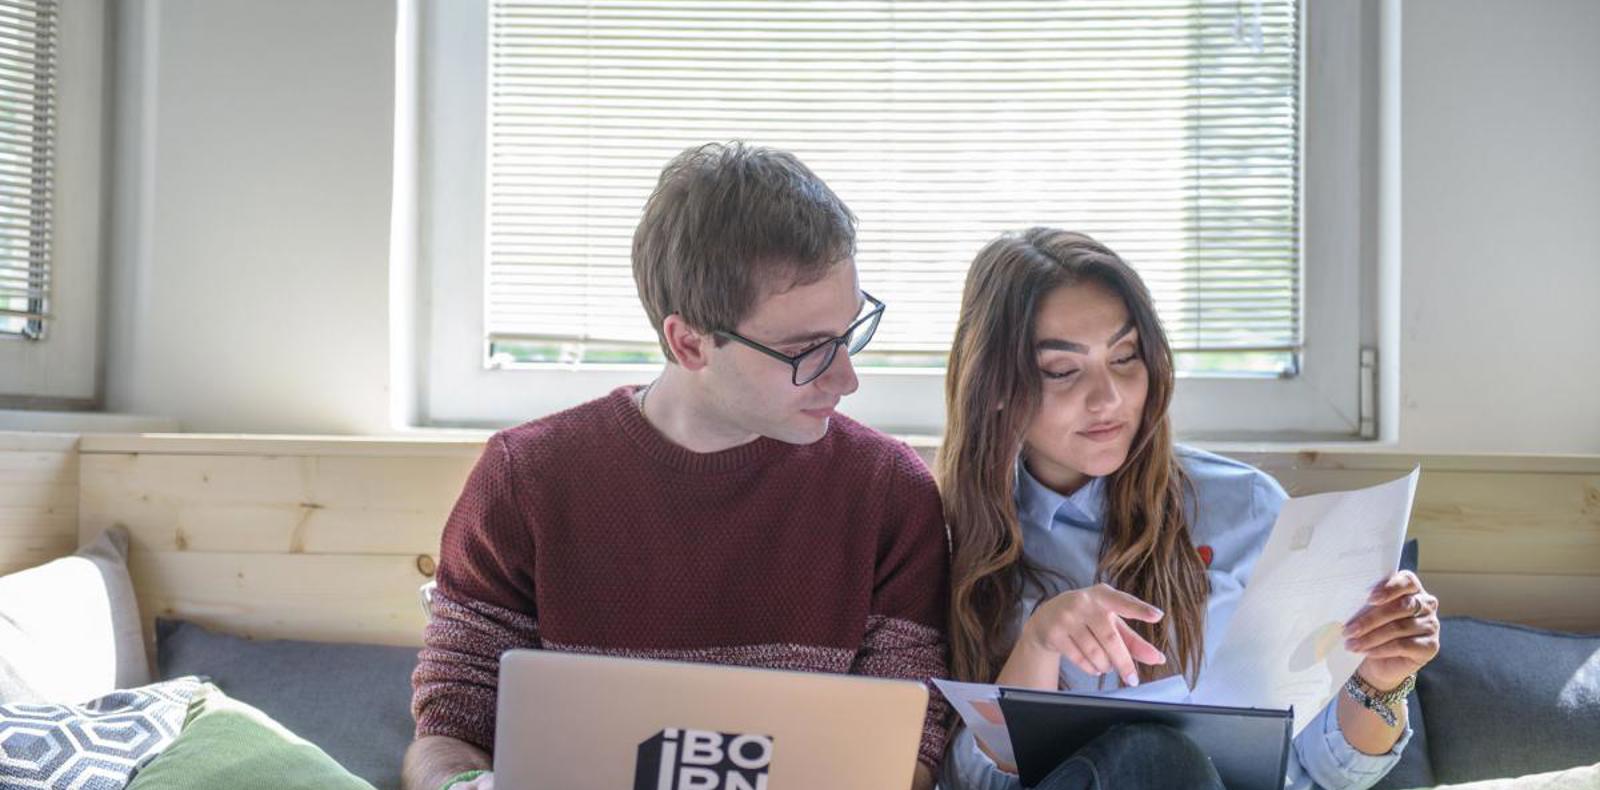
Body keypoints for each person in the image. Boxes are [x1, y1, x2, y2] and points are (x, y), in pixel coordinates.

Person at [401, 142, 953, 790]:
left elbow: (908, 747)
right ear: (689, 342)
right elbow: (449, 730)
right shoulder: (527, 480)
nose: (847, 377)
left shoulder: (888, 493)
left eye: (849, 331)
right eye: (806, 350)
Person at [937, 228, 1441, 790]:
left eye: (1126, 357)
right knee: (1150, 754)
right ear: (996, 385)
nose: (1109, 398)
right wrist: (1039, 644)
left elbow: (1328, 773)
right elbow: (967, 783)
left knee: (1160, 756)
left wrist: (1380, 680)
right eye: (1062, 370)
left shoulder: (1245, 509)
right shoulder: (954, 539)